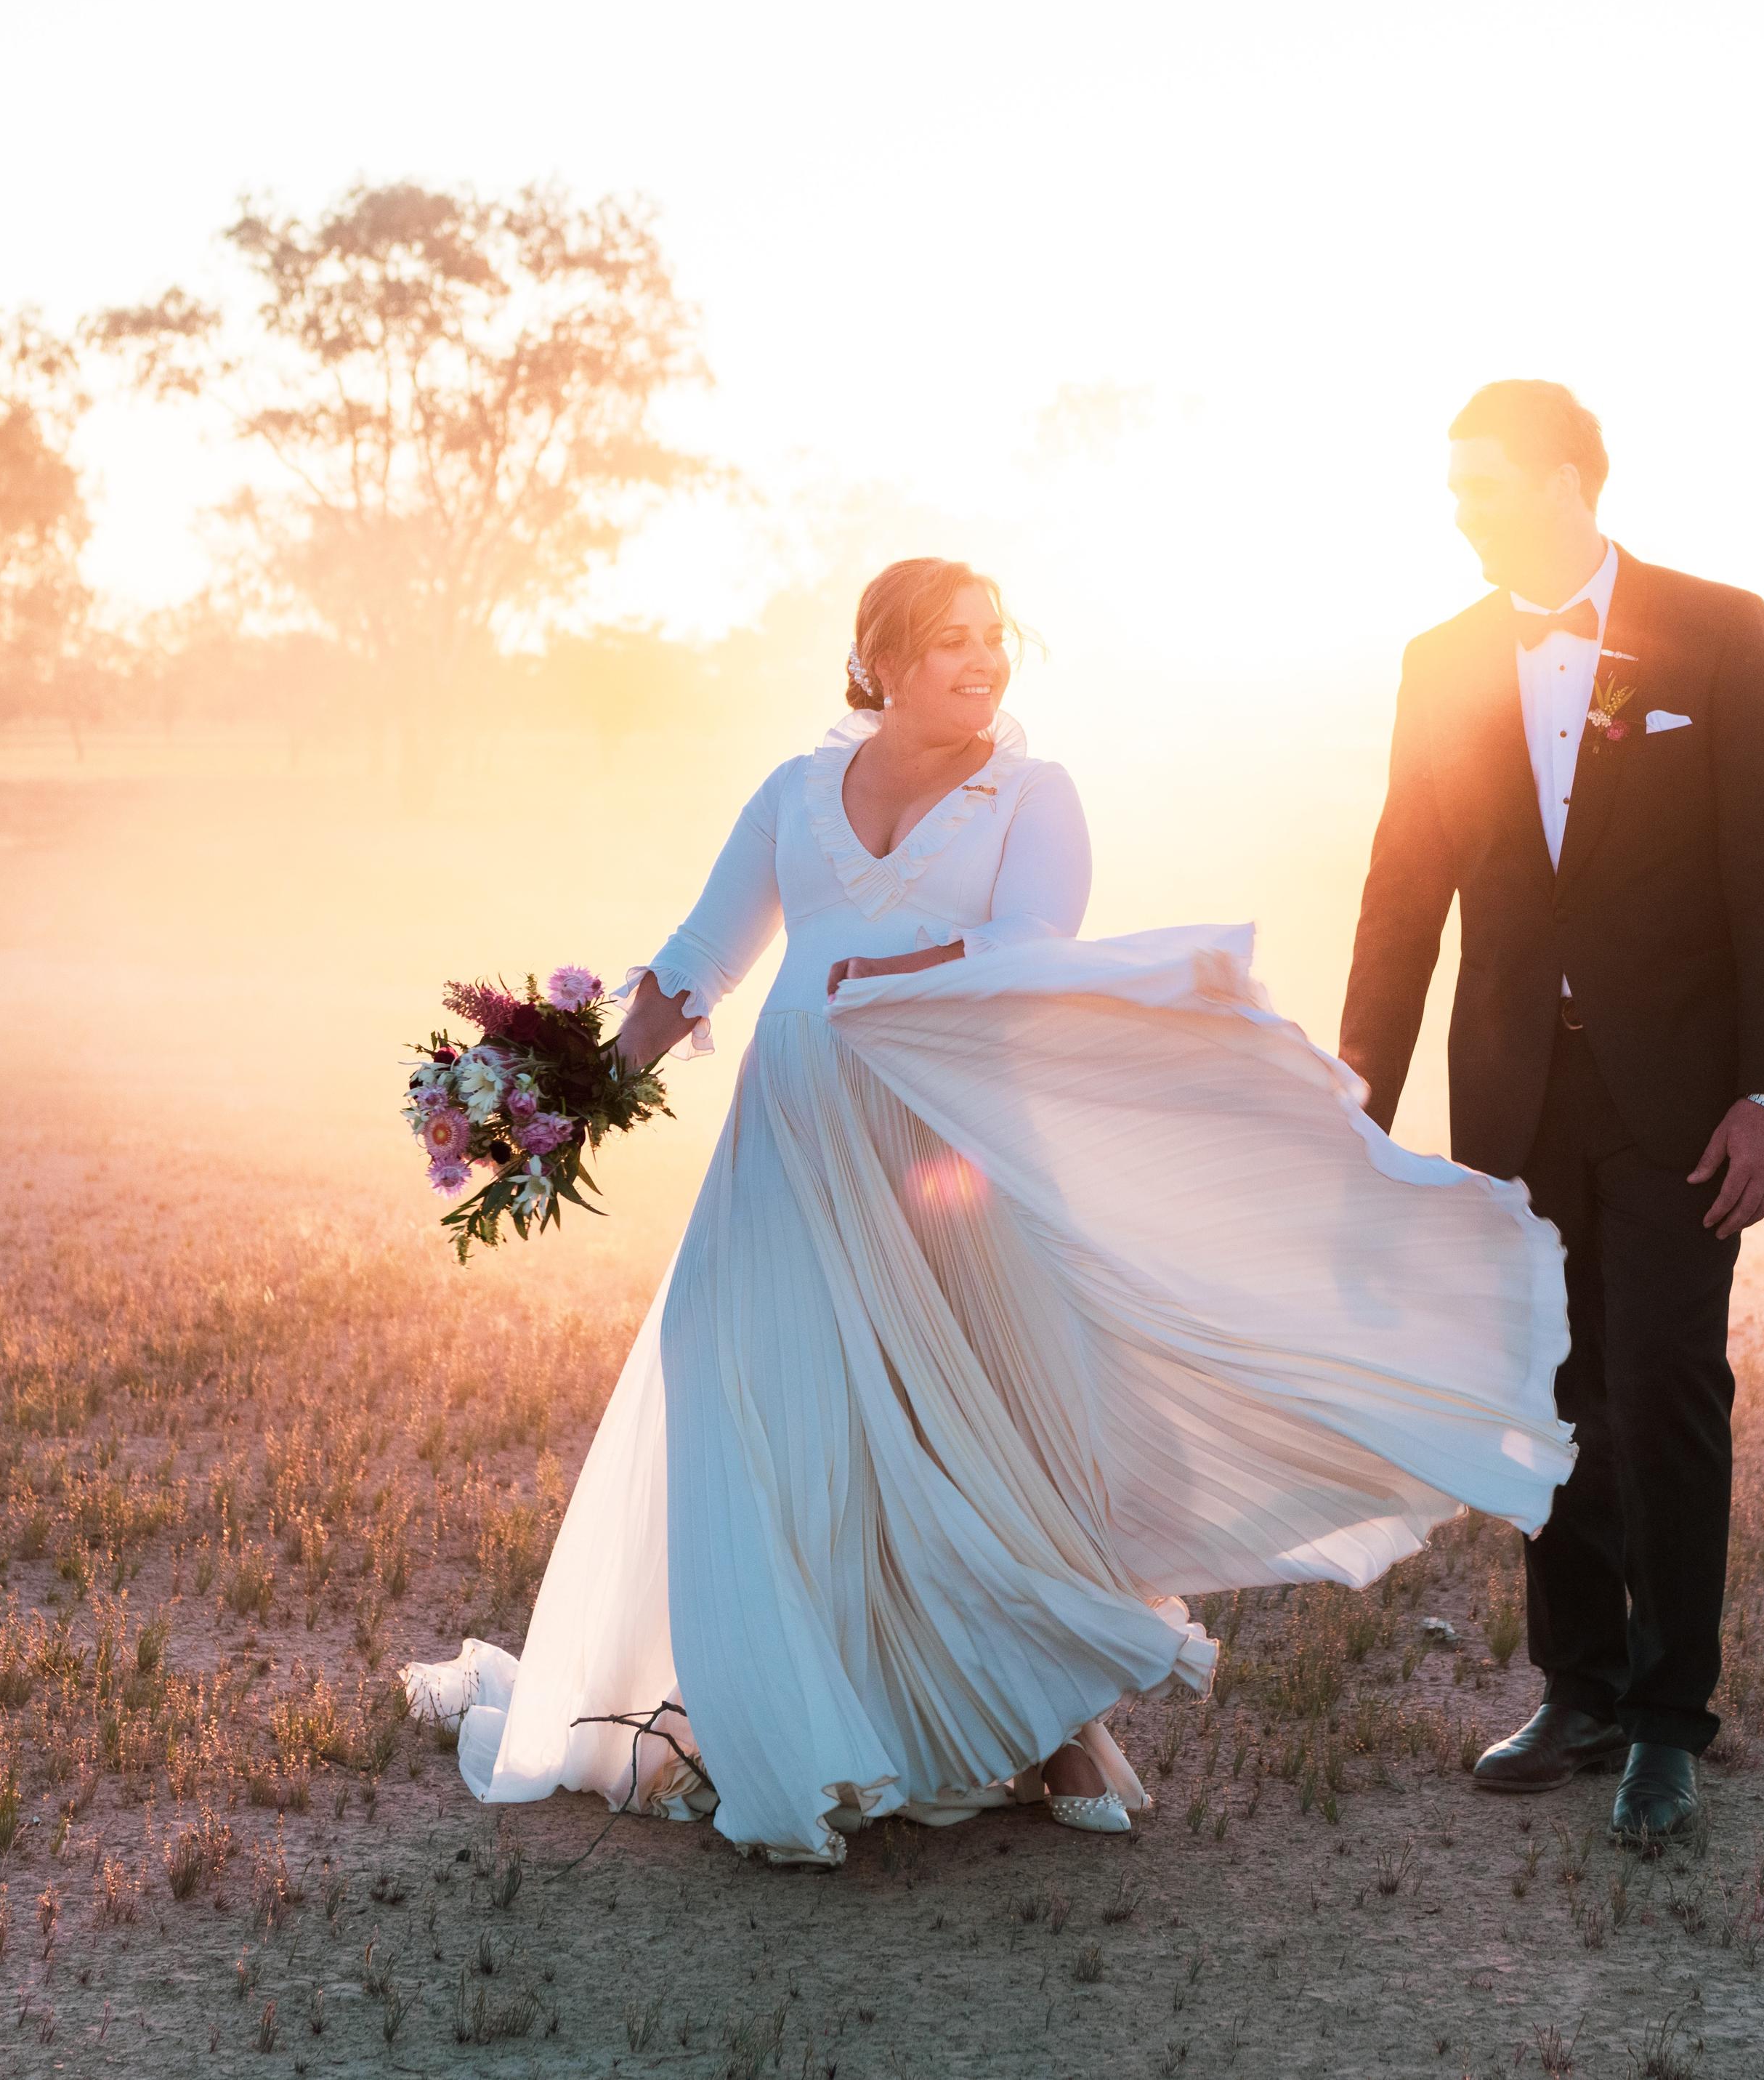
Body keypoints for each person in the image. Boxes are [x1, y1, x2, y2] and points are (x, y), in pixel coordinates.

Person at [405, 557, 1577, 1865]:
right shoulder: (797, 791)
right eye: (949, 640)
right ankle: (812, 1722)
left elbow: (1028, 949)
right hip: (788, 1152)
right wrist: (568, 1101)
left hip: (948, 1152)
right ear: (882, 659)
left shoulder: (1034, 794)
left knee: (983, 1433)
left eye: (993, 639)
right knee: (776, 1423)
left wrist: (867, 966)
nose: (981, 660)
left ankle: (1049, 1723)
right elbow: (698, 962)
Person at [1338, 381, 1764, 1847]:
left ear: (1565, 479)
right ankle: (1579, 1683)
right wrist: (1360, 1099)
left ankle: (1671, 1719)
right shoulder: (1439, 660)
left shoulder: (1716, 630)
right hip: (1514, 1098)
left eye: (1481, 483)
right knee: (1547, 1399)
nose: (1461, 509)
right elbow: (1402, 894)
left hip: (1679, 1102)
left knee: (1666, 1393)